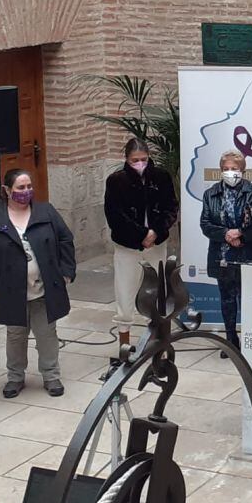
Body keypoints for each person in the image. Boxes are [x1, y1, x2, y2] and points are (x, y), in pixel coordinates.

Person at [0, 169, 76, 399]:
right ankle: (15, 377)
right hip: (11, 290)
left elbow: (65, 239)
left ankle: (51, 376)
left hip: (44, 288)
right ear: (7, 191)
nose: (26, 191)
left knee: (46, 332)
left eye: (29, 186)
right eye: (20, 188)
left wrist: (66, 272)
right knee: (16, 334)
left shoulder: (46, 212)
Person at [104, 138, 178, 359]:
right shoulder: (116, 181)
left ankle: (157, 343)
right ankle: (124, 347)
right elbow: (115, 215)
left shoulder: (161, 176)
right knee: (125, 291)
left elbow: (171, 207)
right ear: (127, 159)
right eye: (135, 160)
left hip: (156, 243)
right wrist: (140, 235)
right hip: (128, 246)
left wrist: (155, 231)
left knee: (157, 292)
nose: (140, 164)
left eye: (144, 159)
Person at [200, 149, 252, 358]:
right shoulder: (210, 193)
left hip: (247, 253)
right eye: (227, 169)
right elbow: (205, 225)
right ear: (221, 171)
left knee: (248, 298)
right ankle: (231, 340)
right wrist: (226, 234)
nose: (231, 172)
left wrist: (241, 233)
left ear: (243, 170)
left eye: (235, 169)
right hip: (222, 255)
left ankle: (250, 338)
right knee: (227, 299)